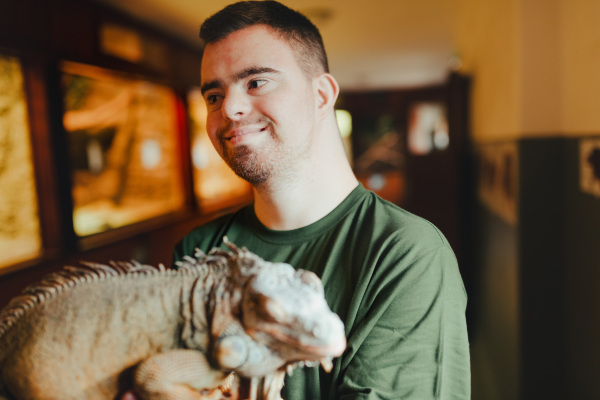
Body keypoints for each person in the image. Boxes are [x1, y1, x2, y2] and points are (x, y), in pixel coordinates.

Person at [127, 1, 470, 399]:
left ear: (322, 95)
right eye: (214, 96)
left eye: (256, 82)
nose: (230, 108)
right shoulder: (199, 250)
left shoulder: (405, 253)